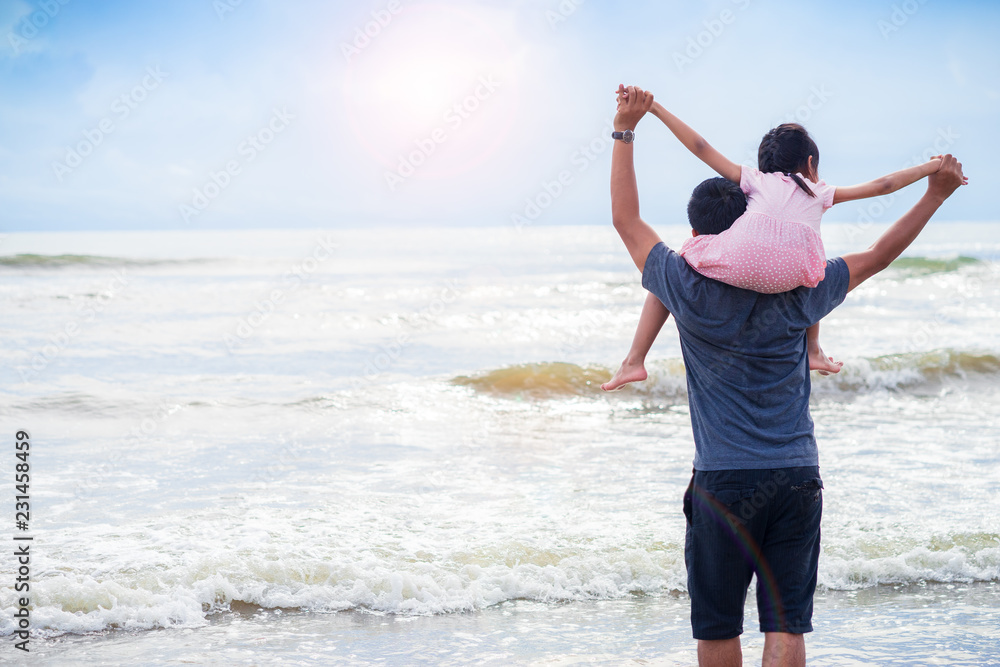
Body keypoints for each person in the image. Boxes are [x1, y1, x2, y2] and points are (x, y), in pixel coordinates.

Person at [609, 85, 966, 666]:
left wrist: (625, 130)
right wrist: (935, 194)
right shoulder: (804, 285)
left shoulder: (685, 285)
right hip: (796, 475)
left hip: (724, 482)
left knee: (718, 629)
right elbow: (877, 254)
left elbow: (626, 219)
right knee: (785, 627)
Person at [602, 85, 964, 391]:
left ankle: (634, 359)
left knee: (673, 267)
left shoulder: (750, 187)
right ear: (810, 164)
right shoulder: (819, 193)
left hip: (718, 467)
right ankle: (814, 349)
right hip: (795, 286)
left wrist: (653, 111)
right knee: (815, 268)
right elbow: (882, 215)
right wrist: (933, 173)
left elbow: (697, 148)